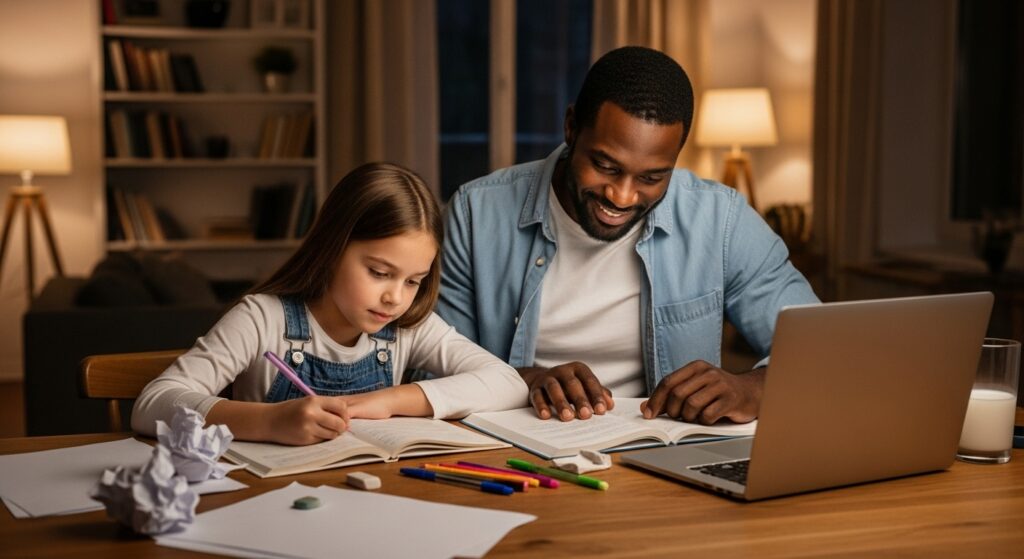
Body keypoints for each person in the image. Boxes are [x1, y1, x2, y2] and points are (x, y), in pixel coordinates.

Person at [437, 46, 819, 426]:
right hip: (516, 454)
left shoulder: (721, 222)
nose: (621, 196)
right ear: (571, 127)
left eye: (651, 178)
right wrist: (525, 381)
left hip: (661, 458)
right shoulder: (475, 214)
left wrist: (752, 388)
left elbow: (821, 347)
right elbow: (431, 370)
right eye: (604, 166)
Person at [132, 162, 528, 445]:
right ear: (333, 248)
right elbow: (152, 404)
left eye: (413, 281)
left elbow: (508, 384)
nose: (395, 297)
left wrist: (390, 400)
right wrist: (268, 422)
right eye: (378, 272)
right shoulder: (261, 319)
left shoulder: (407, 326)